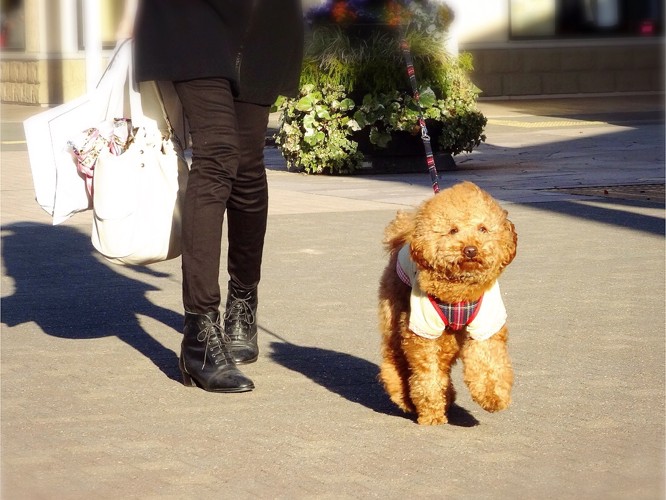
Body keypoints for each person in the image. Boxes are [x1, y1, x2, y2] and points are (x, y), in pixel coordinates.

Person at [119, 0, 304, 393]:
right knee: (218, 153)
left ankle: (243, 301)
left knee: (247, 162)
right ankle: (200, 332)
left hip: (263, 18)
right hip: (191, 14)